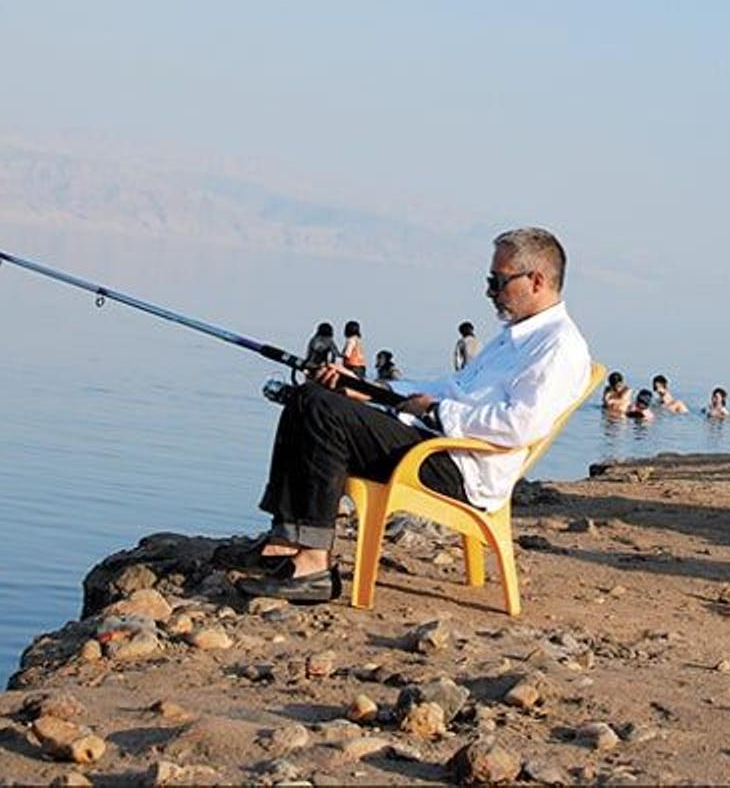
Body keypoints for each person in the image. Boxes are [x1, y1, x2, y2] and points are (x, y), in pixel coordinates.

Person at [240, 227, 591, 601]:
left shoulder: (559, 347)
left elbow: (520, 425)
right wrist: (372, 388)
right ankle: (284, 541)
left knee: (321, 409)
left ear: (536, 280)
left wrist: (439, 412)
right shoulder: (514, 337)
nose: (489, 292)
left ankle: (313, 566)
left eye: (497, 281)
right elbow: (449, 385)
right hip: (435, 442)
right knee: (310, 395)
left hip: (457, 466)